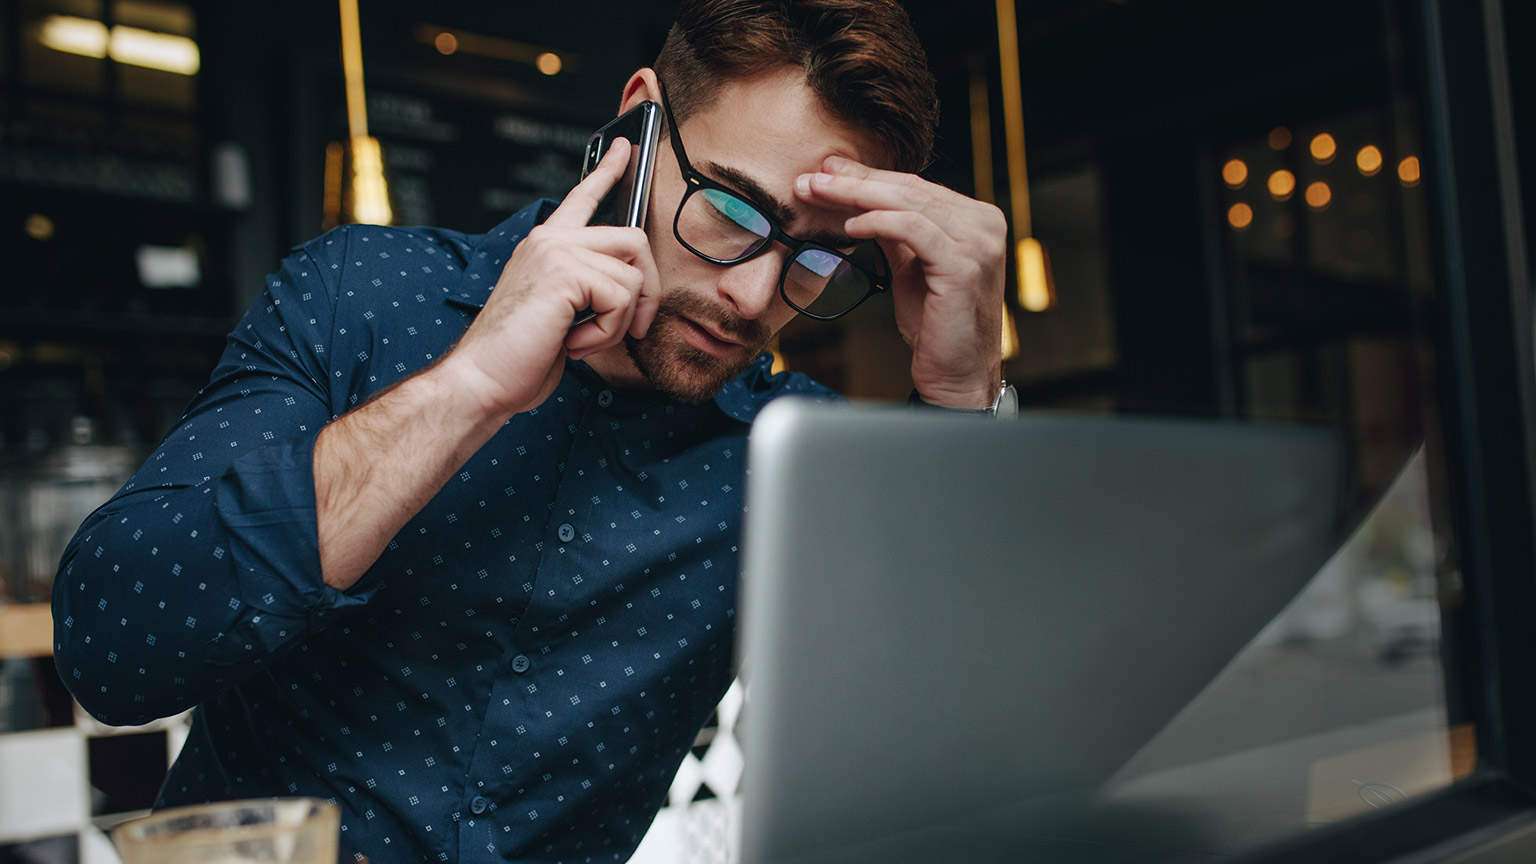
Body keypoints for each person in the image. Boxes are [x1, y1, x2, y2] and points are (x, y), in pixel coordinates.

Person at [52, 0, 1007, 860]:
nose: (756, 295)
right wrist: (467, 388)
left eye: (821, 260)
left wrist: (963, 394)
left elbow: (955, 772)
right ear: (639, 119)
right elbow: (114, 649)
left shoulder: (796, 457)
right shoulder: (361, 299)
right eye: (728, 209)